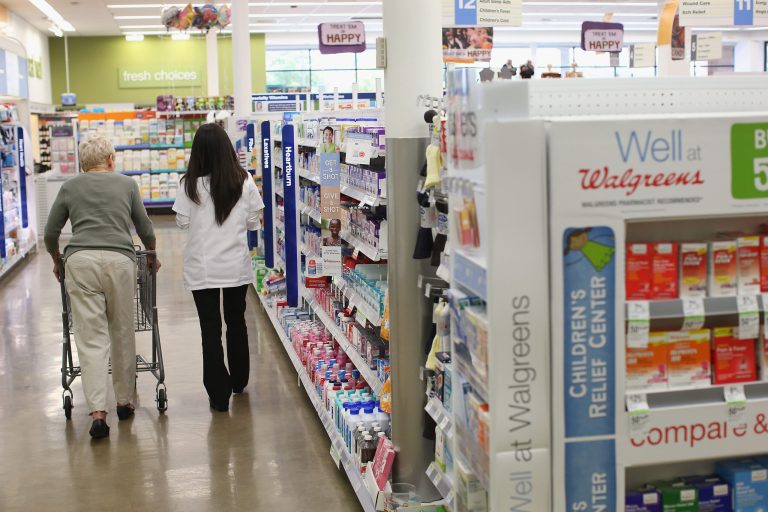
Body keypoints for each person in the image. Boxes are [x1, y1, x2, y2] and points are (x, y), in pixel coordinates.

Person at [44, 135, 158, 439]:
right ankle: (123, 402)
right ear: (110, 160)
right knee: (121, 330)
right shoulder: (127, 184)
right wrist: (152, 256)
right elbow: (145, 227)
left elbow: (50, 232)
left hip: (80, 262)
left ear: (83, 164)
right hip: (120, 262)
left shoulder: (70, 187)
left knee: (90, 337)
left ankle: (97, 411)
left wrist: (58, 261)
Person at [172, 123, 265, 413]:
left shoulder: (189, 184)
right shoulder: (244, 180)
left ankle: (218, 394)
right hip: (234, 265)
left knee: (209, 330)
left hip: (202, 268)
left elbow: (182, 222)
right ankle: (239, 381)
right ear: (227, 148)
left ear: (197, 152)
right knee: (236, 322)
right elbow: (253, 223)